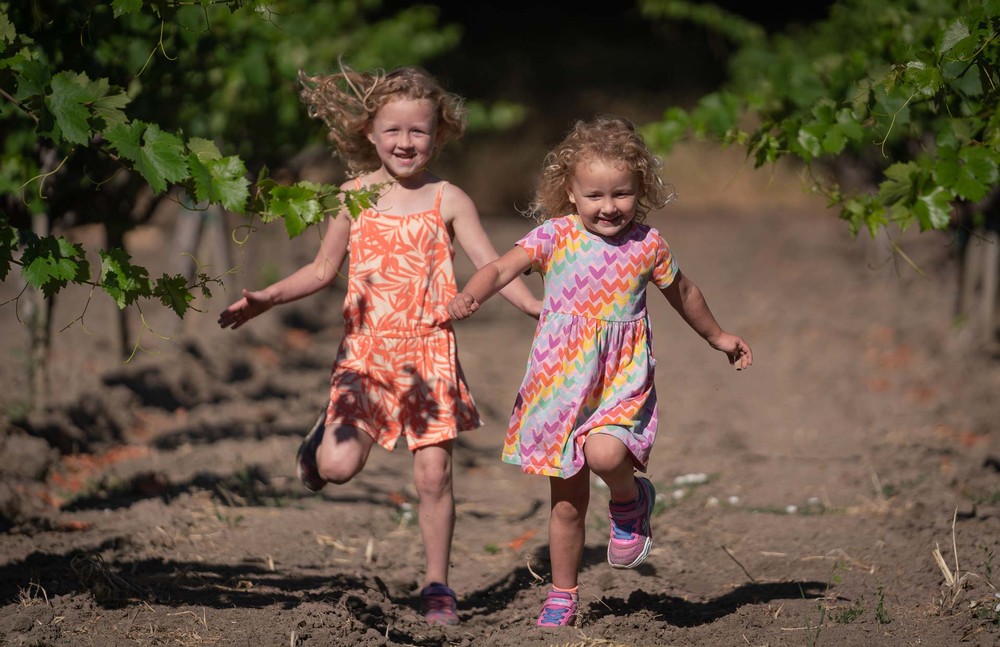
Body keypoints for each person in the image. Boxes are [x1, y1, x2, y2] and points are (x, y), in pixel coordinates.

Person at [218, 63, 541, 626]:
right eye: (393, 130)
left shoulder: (449, 199)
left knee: (434, 476)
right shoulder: (352, 197)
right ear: (370, 132)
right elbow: (321, 270)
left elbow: (493, 267)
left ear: (437, 135)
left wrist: (537, 308)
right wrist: (267, 297)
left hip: (429, 355)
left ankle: (438, 583)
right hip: (365, 356)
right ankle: (320, 442)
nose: (405, 142)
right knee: (338, 466)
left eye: (418, 131)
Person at [446, 115, 753, 627]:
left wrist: (718, 337)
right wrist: (471, 294)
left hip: (619, 380)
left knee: (605, 451)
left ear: (641, 191)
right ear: (570, 192)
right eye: (594, 195)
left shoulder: (647, 245)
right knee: (566, 504)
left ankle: (630, 501)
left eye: (622, 194)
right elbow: (501, 268)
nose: (609, 207)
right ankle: (563, 594)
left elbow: (684, 293)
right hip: (559, 384)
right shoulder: (553, 237)